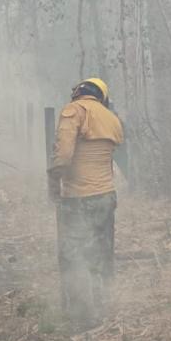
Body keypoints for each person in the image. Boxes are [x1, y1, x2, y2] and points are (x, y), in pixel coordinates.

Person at [48, 77, 124, 327]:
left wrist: (53, 180)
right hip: (106, 195)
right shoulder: (111, 118)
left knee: (74, 255)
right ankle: (105, 307)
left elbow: (64, 155)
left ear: (80, 92)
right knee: (101, 252)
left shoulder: (74, 110)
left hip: (78, 198)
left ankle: (82, 317)